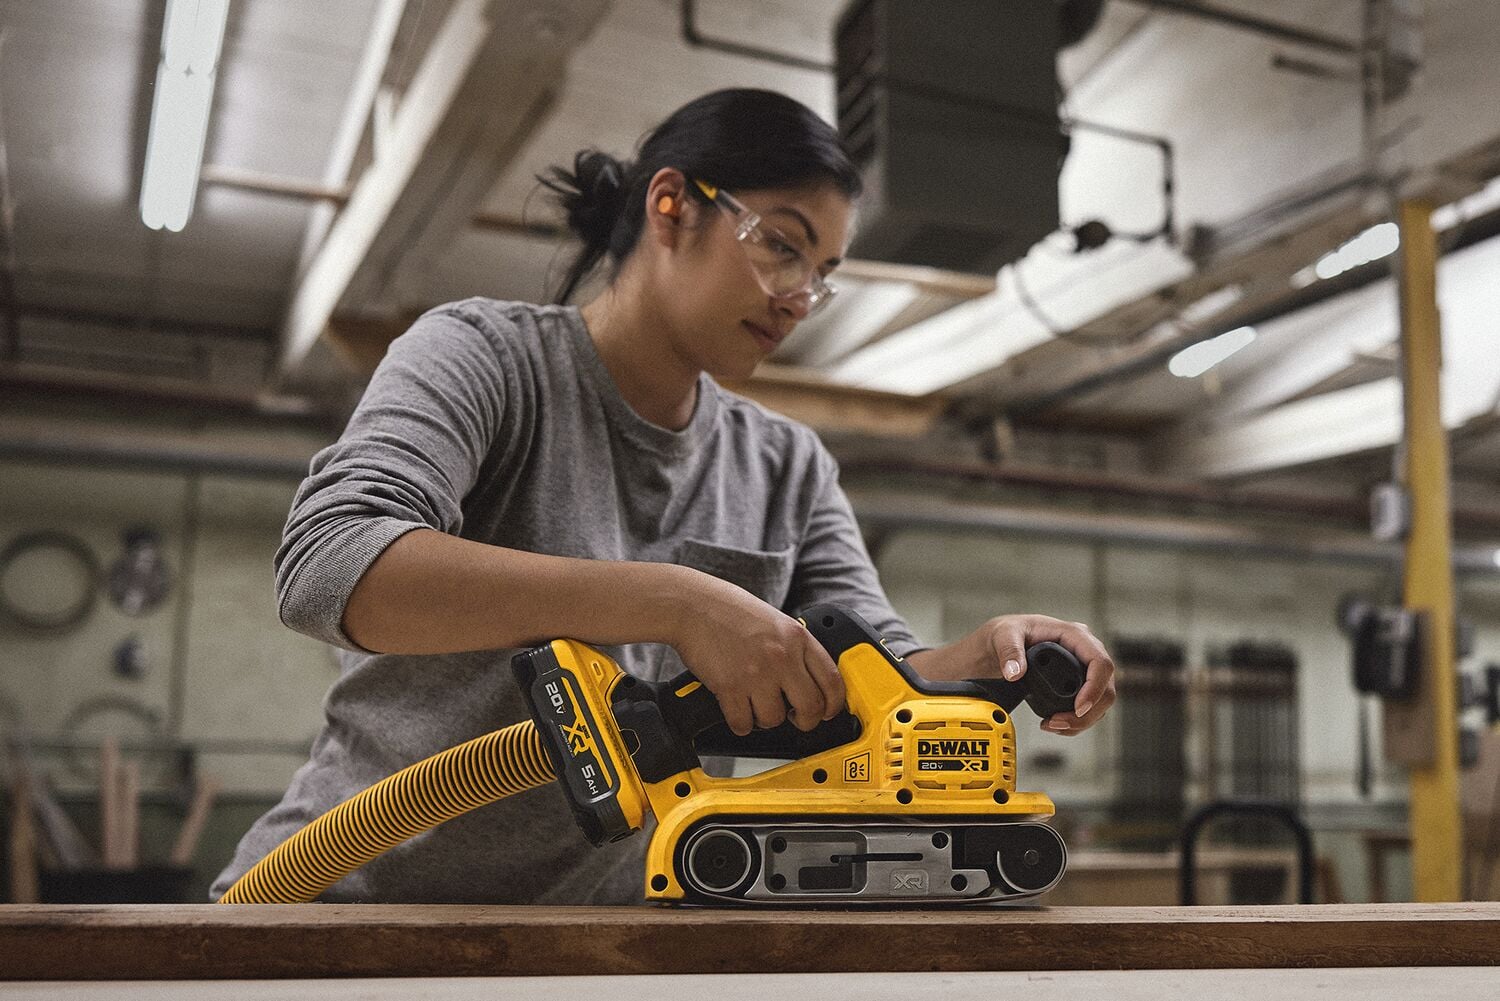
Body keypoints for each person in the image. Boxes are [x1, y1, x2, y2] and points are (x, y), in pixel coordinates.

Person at [211, 88, 1116, 904]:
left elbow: (883, 675)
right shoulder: (482, 358)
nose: (799, 296)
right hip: (345, 904)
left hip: (602, 938)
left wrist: (993, 659)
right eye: (782, 245)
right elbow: (330, 566)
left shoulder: (786, 464)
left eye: (820, 273)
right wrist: (676, 602)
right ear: (673, 205)